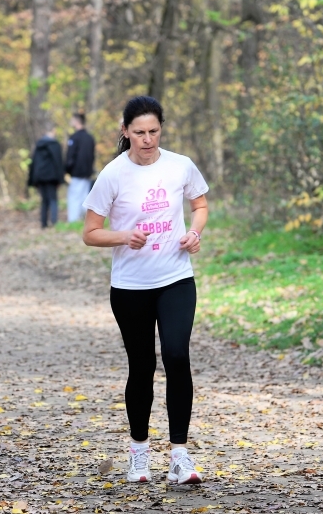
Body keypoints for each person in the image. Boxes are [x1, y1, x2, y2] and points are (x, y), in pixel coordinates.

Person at [82, 96, 209, 485]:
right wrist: (123, 236)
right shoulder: (113, 175)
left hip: (175, 279)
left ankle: (179, 457)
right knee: (142, 367)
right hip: (130, 287)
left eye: (154, 131)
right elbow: (90, 233)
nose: (148, 139)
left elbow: (200, 205)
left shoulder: (180, 165)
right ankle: (139, 453)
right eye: (139, 132)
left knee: (176, 355)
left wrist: (193, 233)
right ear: (125, 132)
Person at [28, 122, 65, 228]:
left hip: (40, 177)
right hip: (52, 177)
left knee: (44, 200)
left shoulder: (38, 145)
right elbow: (58, 162)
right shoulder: (55, 145)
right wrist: (60, 179)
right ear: (53, 131)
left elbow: (34, 162)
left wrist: (33, 179)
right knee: (53, 199)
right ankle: (54, 222)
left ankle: (43, 223)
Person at [65, 112, 96, 222]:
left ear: (77, 121)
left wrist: (67, 170)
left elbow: (70, 156)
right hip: (87, 172)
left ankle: (73, 221)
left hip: (77, 173)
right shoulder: (90, 138)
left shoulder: (74, 138)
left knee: (74, 197)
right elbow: (92, 155)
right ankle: (85, 220)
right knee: (84, 196)